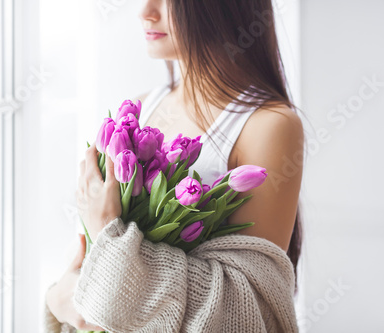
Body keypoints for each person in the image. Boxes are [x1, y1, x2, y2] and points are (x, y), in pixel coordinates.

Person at [45, 0, 305, 331]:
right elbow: (81, 273)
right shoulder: (142, 109)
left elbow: (248, 304)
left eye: (168, 2)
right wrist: (57, 298)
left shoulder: (268, 125)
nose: (145, 13)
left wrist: (107, 233)